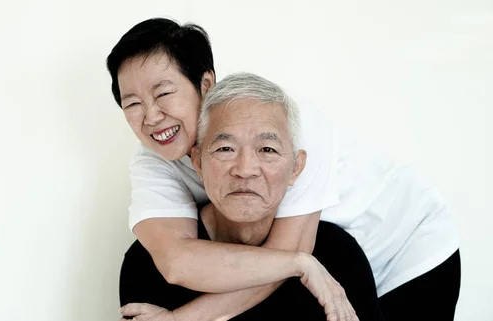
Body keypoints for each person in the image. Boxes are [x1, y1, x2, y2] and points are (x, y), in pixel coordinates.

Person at [106, 18, 461, 320]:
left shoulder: (294, 127)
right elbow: (178, 262)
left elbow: (283, 258)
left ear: (206, 84)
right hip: (323, 262)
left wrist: (182, 319)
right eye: (133, 103)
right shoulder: (154, 160)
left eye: (163, 93)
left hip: (406, 247)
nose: (151, 116)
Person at [119, 73, 384, 321]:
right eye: (225, 148)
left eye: (267, 149)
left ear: (296, 168)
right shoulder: (146, 265)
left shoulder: (339, 259)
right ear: (198, 162)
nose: (245, 170)